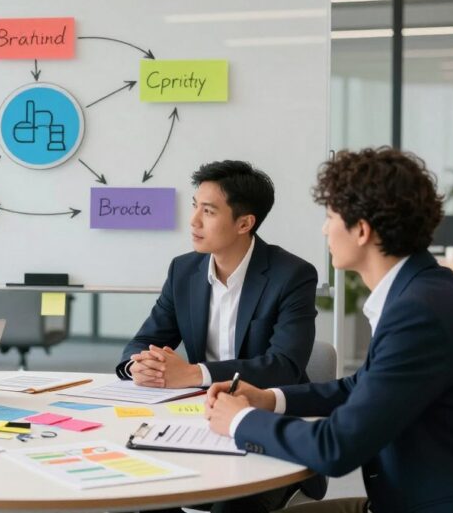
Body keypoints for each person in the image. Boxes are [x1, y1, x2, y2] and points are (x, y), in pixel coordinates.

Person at [207, 148, 453, 513]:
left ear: (361, 230)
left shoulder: (418, 313)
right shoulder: (426, 288)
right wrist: (270, 399)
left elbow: (336, 447)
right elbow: (360, 387)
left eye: (330, 217)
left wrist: (240, 420)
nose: (325, 229)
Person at [118, 160, 321, 512]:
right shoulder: (183, 270)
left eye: (208, 211)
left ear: (244, 223)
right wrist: (139, 365)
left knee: (230, 503)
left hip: (263, 429)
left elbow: (284, 366)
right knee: (143, 490)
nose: (194, 221)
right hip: (194, 423)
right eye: (195, 206)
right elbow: (144, 340)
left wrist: (194, 373)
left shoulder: (291, 275)